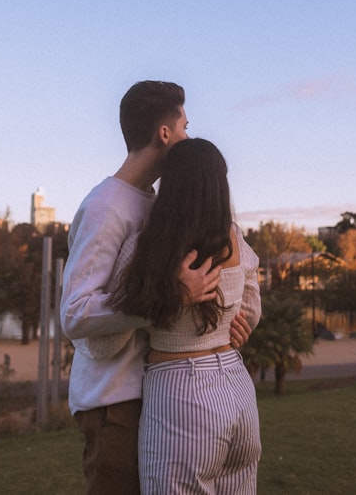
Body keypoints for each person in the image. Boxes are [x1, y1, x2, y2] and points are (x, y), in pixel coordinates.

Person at [60, 81, 252, 494]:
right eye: (184, 126)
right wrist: (166, 302)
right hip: (115, 401)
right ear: (164, 133)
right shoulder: (105, 206)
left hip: (160, 392)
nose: (187, 136)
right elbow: (75, 312)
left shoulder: (158, 203)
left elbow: (244, 268)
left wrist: (236, 320)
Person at [93, 138, 262, 494]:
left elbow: (103, 342)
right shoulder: (235, 240)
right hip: (238, 389)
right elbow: (252, 310)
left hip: (182, 394)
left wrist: (162, 302)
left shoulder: (147, 247)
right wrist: (233, 327)